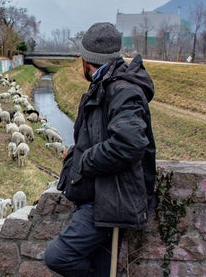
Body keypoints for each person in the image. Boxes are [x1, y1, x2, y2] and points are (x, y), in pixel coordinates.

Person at [44, 22, 156, 276]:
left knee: (58, 256)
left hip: (110, 202)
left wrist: (84, 161)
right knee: (105, 268)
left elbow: (129, 144)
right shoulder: (108, 85)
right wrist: (74, 155)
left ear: (87, 60)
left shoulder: (122, 91)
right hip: (102, 197)